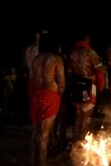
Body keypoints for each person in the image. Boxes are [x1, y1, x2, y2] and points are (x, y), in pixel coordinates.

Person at [29, 32, 65, 166]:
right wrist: (58, 96)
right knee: (45, 133)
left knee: (35, 130)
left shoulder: (36, 59)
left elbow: (33, 79)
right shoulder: (56, 59)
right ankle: (42, 162)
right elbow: (62, 83)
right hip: (50, 95)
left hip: (36, 95)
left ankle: (32, 160)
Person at [69, 31, 106, 143]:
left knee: (78, 117)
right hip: (89, 85)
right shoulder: (90, 52)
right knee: (87, 118)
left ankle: (75, 143)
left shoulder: (73, 53)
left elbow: (69, 71)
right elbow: (101, 69)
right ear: (87, 38)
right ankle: (83, 146)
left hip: (76, 85)